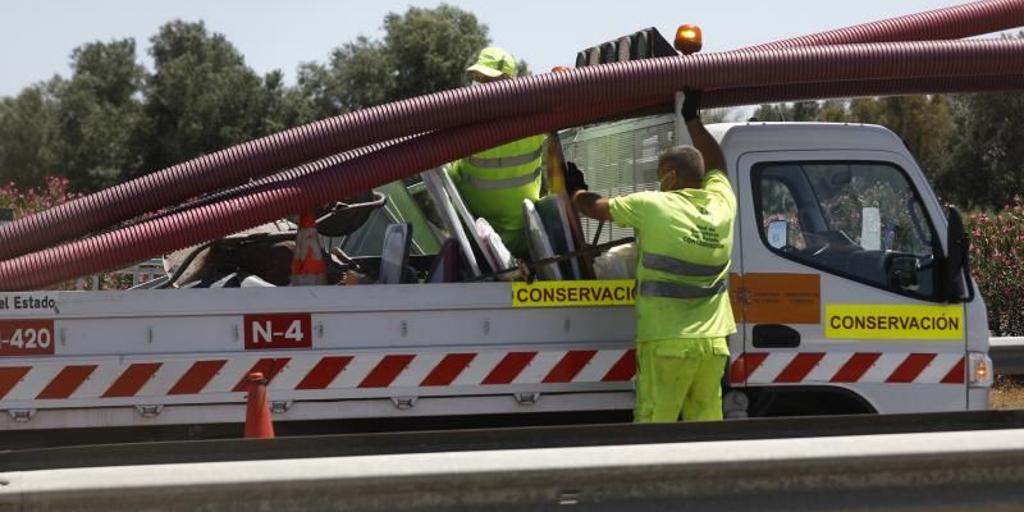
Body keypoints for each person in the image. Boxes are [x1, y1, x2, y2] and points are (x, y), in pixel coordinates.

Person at [571, 91, 737, 422]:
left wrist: (573, 188)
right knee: (707, 425)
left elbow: (595, 208)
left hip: (666, 342)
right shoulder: (722, 204)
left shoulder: (652, 205)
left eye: (661, 175)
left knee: (655, 426)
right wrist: (693, 119)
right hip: (714, 343)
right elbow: (717, 164)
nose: (659, 182)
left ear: (672, 176)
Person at [449, 47, 546, 255]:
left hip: (482, 242)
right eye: (479, 79)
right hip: (502, 237)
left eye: (488, 79)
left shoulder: (467, 127)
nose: (482, 87)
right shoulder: (535, 122)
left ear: (509, 81)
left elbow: (450, 176)